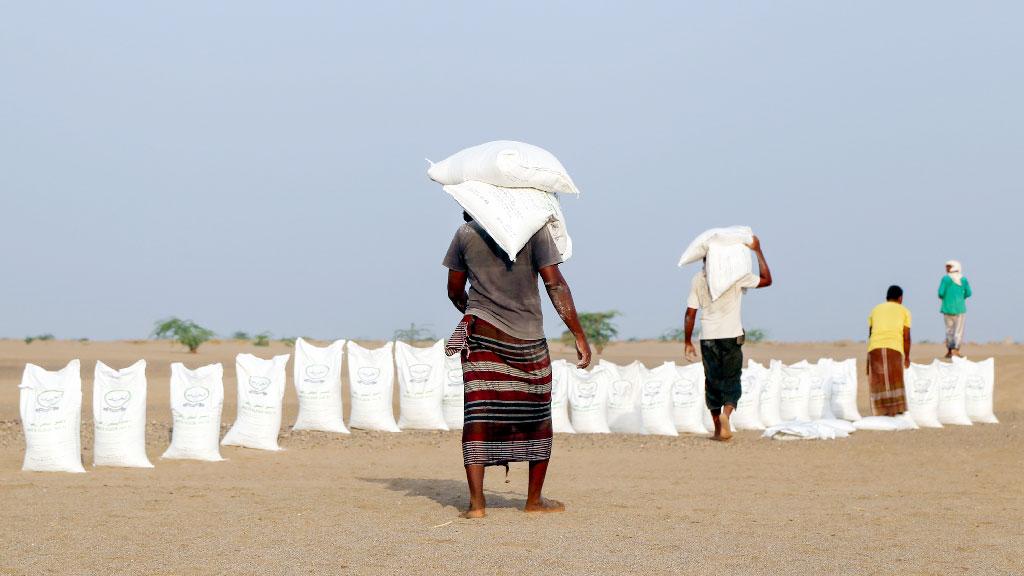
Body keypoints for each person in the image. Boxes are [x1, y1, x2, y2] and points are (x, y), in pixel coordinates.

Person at [443, 212, 591, 519]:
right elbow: (556, 285)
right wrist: (578, 334)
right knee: (537, 415)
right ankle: (533, 501)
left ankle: (477, 504)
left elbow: (455, 289)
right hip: (527, 338)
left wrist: (475, 307)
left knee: (479, 412)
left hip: (481, 333)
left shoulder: (464, 234)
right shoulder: (535, 230)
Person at [683, 235, 772, 441]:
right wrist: (757, 250)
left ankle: (717, 429)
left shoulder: (698, 279)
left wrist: (687, 341)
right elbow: (767, 280)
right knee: (732, 380)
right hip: (732, 336)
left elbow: (690, 313)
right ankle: (726, 415)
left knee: (712, 382)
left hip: (708, 338)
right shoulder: (737, 276)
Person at [867, 285, 911, 416]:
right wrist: (907, 357)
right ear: (900, 298)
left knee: (878, 380)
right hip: (894, 348)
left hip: (875, 347)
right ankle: (895, 411)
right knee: (895, 379)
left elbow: (870, 332)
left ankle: (879, 411)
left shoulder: (875, 309)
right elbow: (906, 336)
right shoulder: (904, 311)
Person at [938, 260, 972, 358]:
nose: (947, 269)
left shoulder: (945, 279)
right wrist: (961, 297)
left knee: (949, 330)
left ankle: (949, 350)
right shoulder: (964, 279)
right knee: (958, 331)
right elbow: (969, 293)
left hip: (947, 308)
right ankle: (956, 350)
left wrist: (945, 297)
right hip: (960, 308)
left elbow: (940, 292)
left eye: (948, 267)